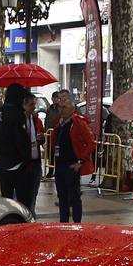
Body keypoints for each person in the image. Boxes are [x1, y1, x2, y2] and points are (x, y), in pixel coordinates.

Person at [46, 91, 95, 223]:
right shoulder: (59, 123)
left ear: (72, 107)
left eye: (64, 107)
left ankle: (77, 224)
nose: (61, 110)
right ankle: (63, 223)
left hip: (71, 166)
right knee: (62, 197)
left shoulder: (78, 122)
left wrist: (80, 161)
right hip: (60, 165)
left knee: (74, 197)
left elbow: (91, 142)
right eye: (59, 107)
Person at [0, 84, 36, 217]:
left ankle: (7, 224)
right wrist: (27, 160)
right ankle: (22, 228)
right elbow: (20, 142)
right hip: (16, 165)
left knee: (6, 200)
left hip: (0, 162)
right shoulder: (17, 115)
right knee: (23, 203)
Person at [22, 91, 45, 209]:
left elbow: (43, 138)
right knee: (23, 194)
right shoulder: (19, 121)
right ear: (24, 105)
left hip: (35, 161)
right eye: (31, 104)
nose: (34, 107)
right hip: (24, 162)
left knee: (33, 193)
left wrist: (41, 138)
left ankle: (31, 214)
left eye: (34, 104)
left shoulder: (37, 120)